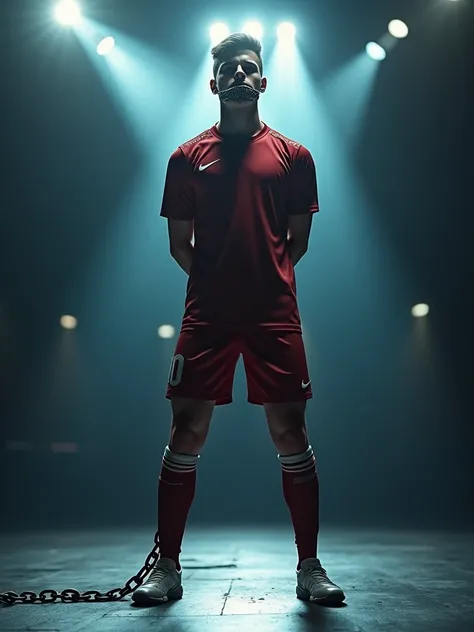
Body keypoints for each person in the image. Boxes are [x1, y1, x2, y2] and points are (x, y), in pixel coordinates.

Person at [132, 33, 345, 607]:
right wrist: (218, 281)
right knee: (186, 432)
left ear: (263, 81)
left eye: (249, 68)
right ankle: (167, 567)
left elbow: (297, 241)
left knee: (291, 433)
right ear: (214, 83)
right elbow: (180, 244)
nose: (240, 76)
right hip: (207, 313)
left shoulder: (295, 156)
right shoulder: (185, 158)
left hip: (274, 313)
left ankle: (309, 567)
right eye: (229, 70)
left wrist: (261, 279)